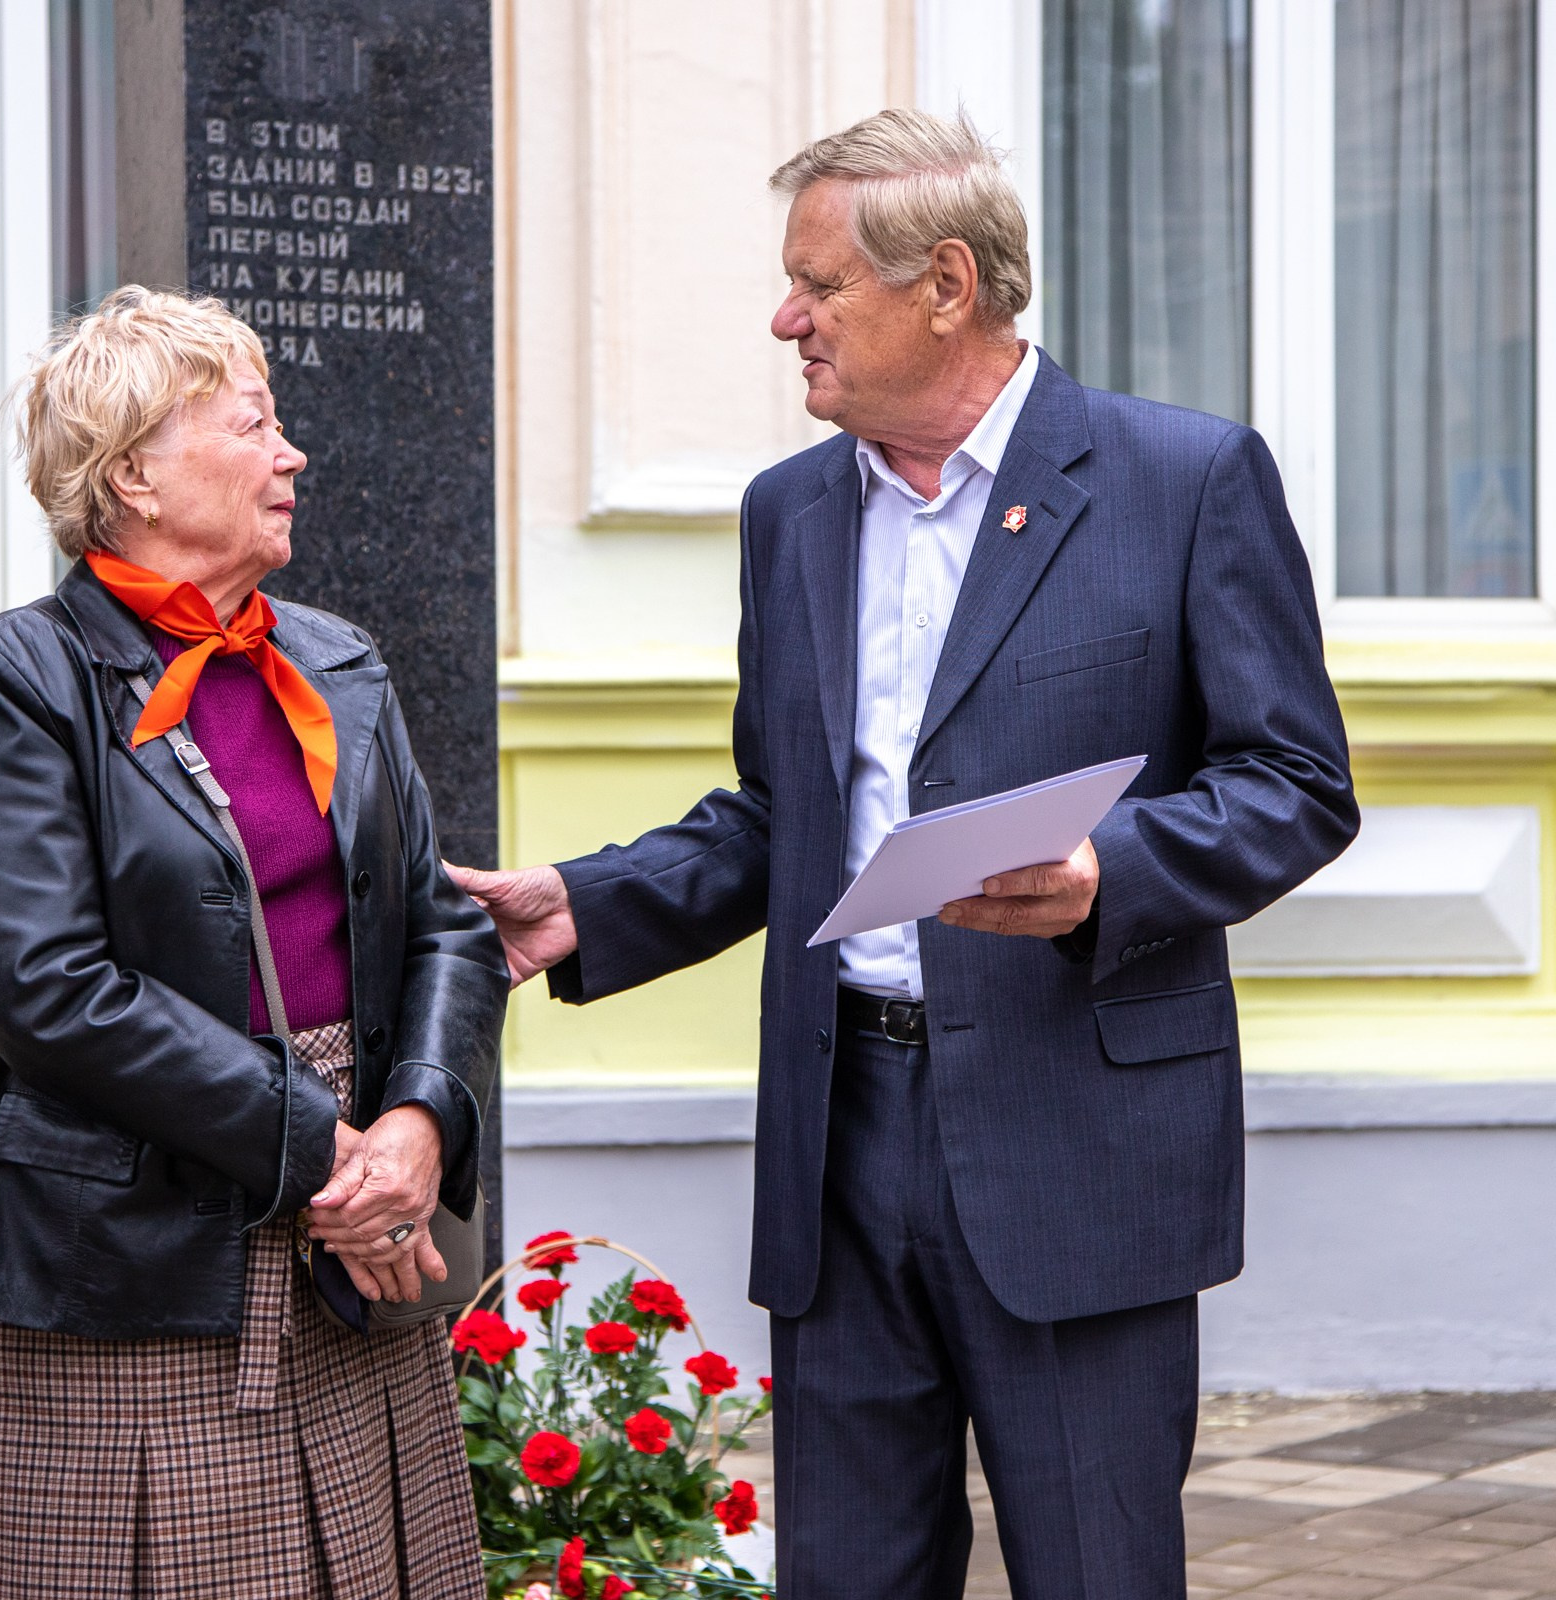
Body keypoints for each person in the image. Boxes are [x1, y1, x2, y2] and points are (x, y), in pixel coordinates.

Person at [451, 111, 1358, 1599]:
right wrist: (588, 906)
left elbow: (1295, 785)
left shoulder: (1182, 479)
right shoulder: (791, 512)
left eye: (817, 285)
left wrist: (1107, 875)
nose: (784, 319)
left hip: (1077, 1134)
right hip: (842, 1137)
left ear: (946, 285)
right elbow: (781, 814)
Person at [0, 285, 506, 1600]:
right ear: (132, 473)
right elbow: (44, 986)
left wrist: (417, 1129)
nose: (291, 454)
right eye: (252, 425)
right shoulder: (24, 677)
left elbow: (446, 925)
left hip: (358, 1224)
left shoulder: (338, 662)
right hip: (140, 1252)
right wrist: (326, 1153)